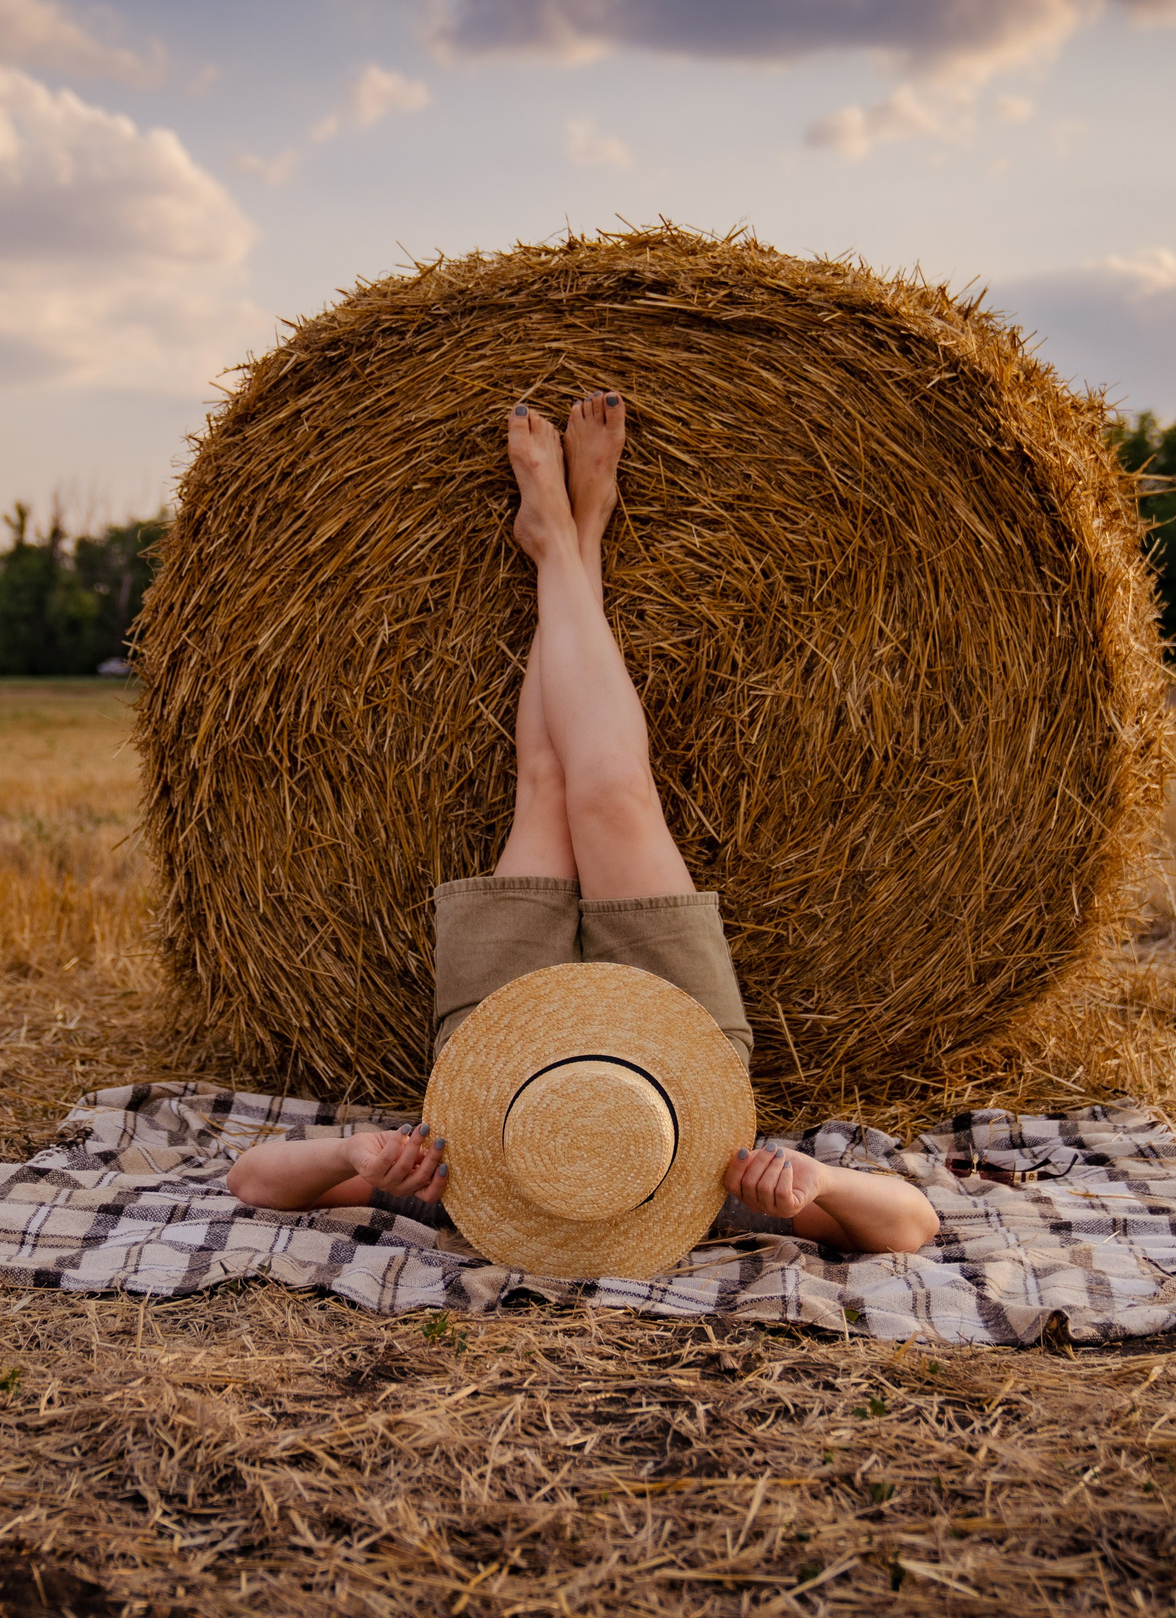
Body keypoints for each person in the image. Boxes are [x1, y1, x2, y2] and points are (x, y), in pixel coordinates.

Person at [224, 392, 941, 1256]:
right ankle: (574, 540)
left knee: (547, 780)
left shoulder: (464, 1183)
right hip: (679, 1050)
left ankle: (562, 543)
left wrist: (353, 1153)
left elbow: (252, 1182)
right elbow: (911, 1224)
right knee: (610, 790)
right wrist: (817, 1182)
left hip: (499, 1054)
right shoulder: (707, 1188)